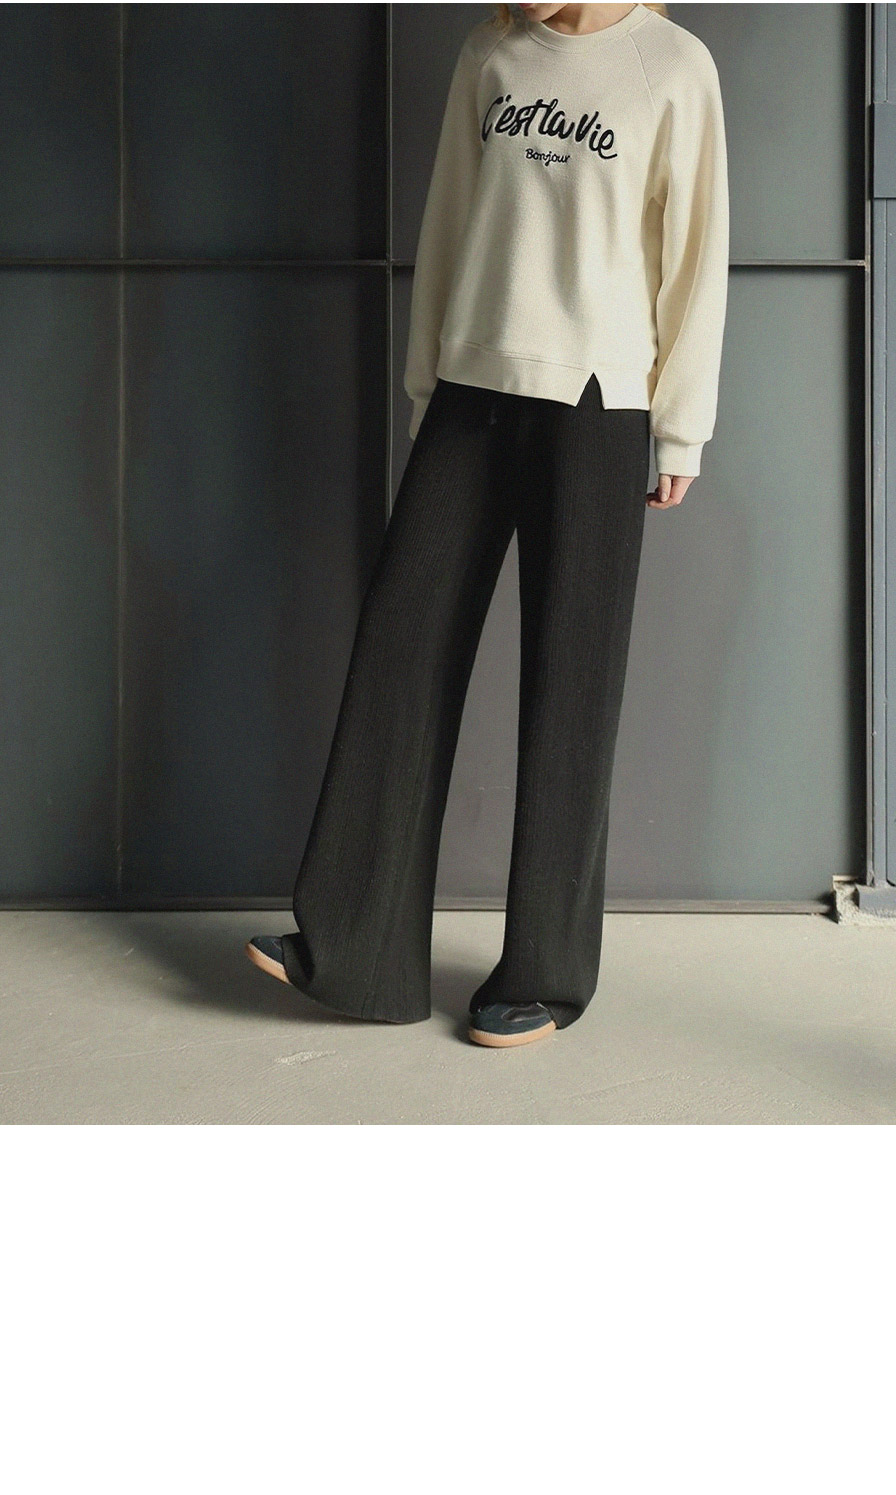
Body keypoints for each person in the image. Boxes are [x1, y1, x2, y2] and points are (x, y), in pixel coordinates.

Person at [246, 2, 730, 1048]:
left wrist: (681, 429)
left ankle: (544, 974)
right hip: (473, 383)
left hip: (599, 401)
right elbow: (450, 219)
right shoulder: (492, 51)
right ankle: (359, 950)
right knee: (403, 645)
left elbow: (696, 255)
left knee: (572, 680)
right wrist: (427, 378)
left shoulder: (673, 65)